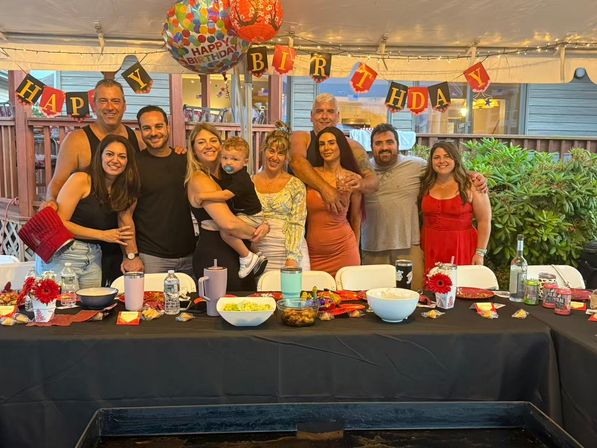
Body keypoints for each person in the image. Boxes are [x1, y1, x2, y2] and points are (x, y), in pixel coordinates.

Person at [362, 123, 487, 290]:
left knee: (417, 295)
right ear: (371, 147)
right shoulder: (363, 171)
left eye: (389, 142)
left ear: (398, 145)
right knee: (374, 294)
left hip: (409, 245)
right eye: (378, 143)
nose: (385, 147)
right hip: (373, 246)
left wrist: (474, 175)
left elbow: (445, 169)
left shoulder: (416, 166)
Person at [45, 79, 143, 284]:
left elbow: (154, 158)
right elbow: (56, 184)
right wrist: (50, 202)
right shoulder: (77, 140)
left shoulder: (136, 139)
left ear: (124, 105)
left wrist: (177, 152)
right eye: (103, 101)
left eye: (115, 101)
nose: (110, 107)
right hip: (75, 245)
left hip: (115, 242)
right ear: (94, 105)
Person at [36, 134, 140, 288]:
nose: (115, 160)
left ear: (128, 162)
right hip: (64, 252)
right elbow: (58, 223)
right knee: (64, 307)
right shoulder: (81, 179)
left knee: (91, 307)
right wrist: (103, 235)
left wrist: (132, 256)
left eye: (122, 156)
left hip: (94, 255)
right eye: (110, 154)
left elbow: (126, 224)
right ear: (100, 156)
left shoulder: (125, 189)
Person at [186, 123, 269, 291]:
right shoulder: (199, 179)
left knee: (246, 307)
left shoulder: (229, 175)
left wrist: (264, 225)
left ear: (221, 145)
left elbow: (245, 207)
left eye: (213, 140)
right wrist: (254, 232)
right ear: (193, 150)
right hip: (216, 253)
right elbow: (229, 224)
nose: (208, 145)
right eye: (201, 142)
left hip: (237, 251)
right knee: (224, 309)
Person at [119, 105, 196, 276]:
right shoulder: (134, 166)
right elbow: (124, 215)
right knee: (150, 303)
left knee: (192, 303)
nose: (153, 133)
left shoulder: (185, 159)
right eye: (147, 128)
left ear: (168, 127)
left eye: (158, 126)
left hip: (190, 255)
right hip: (151, 257)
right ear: (140, 131)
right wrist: (131, 255)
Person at [289, 93, 379, 215]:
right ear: (311, 116)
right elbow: (297, 163)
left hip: (340, 221)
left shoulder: (353, 146)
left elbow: (373, 182)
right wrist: (326, 190)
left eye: (330, 111)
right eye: (319, 111)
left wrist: (360, 184)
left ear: (338, 116)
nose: (325, 116)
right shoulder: (301, 138)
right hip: (302, 219)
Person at [419, 141, 492, 273]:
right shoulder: (426, 183)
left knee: (461, 288)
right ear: (431, 161)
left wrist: (480, 253)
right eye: (436, 157)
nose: (442, 161)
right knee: (433, 287)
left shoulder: (472, 183)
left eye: (447, 156)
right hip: (431, 245)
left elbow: (484, 220)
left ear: (456, 159)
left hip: (461, 245)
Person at [252, 124, 310, 272]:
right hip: (260, 252)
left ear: (286, 157)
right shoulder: (249, 182)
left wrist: (292, 257)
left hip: (291, 251)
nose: (274, 157)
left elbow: (297, 222)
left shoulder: (296, 185)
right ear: (263, 150)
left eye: (281, 153)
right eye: (271, 151)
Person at [306, 126, 362, 277]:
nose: (326, 148)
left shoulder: (352, 178)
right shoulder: (311, 175)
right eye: (322, 144)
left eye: (331, 143)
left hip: (344, 250)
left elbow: (356, 217)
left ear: (340, 146)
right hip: (313, 253)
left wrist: (355, 248)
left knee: (347, 298)